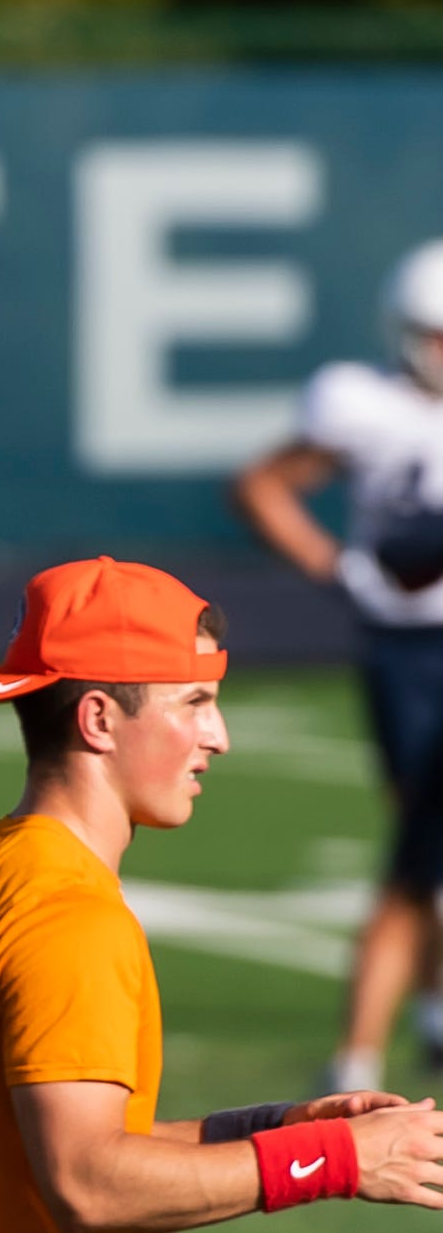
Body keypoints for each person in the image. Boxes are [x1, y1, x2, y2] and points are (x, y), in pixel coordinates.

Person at [0, 555, 443, 1231]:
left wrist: (288, 1128)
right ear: (99, 720)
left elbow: (82, 1136)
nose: (219, 738)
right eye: (195, 703)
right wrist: (338, 1160)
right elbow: (90, 1184)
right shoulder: (71, 917)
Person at [235, 240, 443, 1096]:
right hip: (404, 641)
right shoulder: (364, 403)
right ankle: (367, 1045)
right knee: (418, 842)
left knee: (425, 848)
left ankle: (426, 1016)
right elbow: (263, 484)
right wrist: (338, 567)